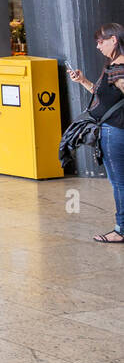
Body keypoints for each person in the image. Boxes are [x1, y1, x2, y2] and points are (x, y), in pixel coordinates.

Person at [68, 23, 124, 244]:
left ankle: (120, 230)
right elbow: (104, 98)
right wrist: (83, 81)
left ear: (114, 40)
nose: (98, 46)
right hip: (113, 129)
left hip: (115, 131)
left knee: (119, 182)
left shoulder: (118, 69)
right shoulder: (112, 67)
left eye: (101, 41)